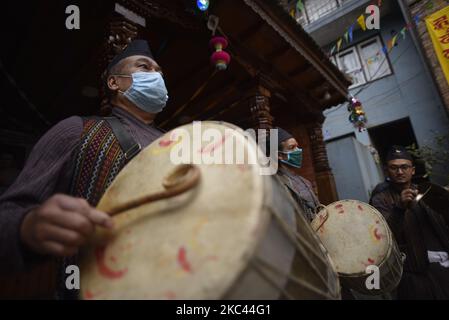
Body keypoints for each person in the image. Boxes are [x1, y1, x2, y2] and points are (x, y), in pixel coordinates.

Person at [0, 39, 167, 298]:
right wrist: (28, 225)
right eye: (144, 67)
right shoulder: (76, 130)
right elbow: (8, 214)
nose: (156, 76)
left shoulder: (179, 143)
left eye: (160, 72)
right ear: (114, 82)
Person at [370, 145, 449, 299]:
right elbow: (383, 237)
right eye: (394, 168)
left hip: (442, 267)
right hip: (412, 274)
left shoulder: (427, 192)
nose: (400, 172)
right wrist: (399, 207)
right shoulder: (380, 200)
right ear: (386, 171)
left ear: (412, 170)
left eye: (404, 167)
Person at [276, 127, 320, 221]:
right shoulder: (277, 182)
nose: (298, 151)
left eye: (297, 146)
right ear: (279, 155)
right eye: (292, 147)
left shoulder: (305, 182)